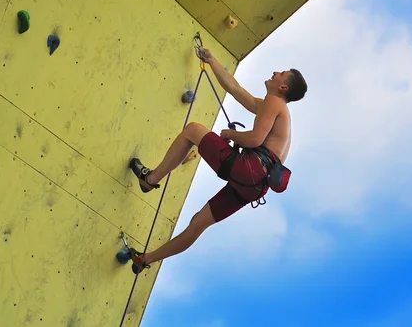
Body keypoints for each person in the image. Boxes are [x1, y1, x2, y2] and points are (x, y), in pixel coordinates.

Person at [128, 48, 307, 273]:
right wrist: (212, 61)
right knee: (198, 223)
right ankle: (145, 259)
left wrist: (231, 135)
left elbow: (254, 138)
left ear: (283, 87)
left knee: (193, 130)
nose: (274, 72)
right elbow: (235, 89)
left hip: (250, 169)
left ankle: (150, 179)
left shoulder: (274, 102)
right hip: (256, 187)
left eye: (281, 73)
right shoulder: (274, 108)